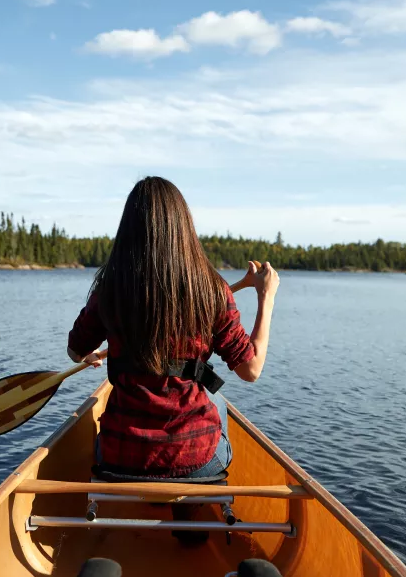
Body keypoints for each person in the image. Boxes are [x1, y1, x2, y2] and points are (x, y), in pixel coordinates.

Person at [67, 176, 279, 479]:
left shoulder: (110, 287)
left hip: (118, 456)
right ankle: (194, 512)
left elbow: (75, 351)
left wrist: (89, 352)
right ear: (183, 227)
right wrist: (265, 297)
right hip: (196, 459)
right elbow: (251, 370)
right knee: (216, 399)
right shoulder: (211, 290)